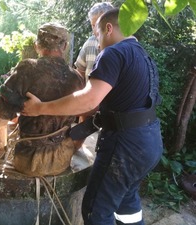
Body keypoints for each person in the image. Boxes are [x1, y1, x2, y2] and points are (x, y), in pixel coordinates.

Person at [22, 9, 163, 225]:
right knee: (126, 202)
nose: (96, 44)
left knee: (95, 210)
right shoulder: (144, 55)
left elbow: (89, 100)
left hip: (124, 147)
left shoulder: (113, 53)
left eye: (97, 35)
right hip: (150, 142)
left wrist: (41, 108)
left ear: (108, 28)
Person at [0, 22, 85, 177]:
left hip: (29, 161)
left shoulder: (27, 69)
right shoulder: (76, 78)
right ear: (65, 46)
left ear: (36, 46)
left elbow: (2, 116)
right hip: (62, 158)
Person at [74, 2, 114, 81]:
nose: (96, 30)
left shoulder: (123, 47)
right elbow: (79, 73)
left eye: (99, 25)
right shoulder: (90, 43)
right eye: (93, 25)